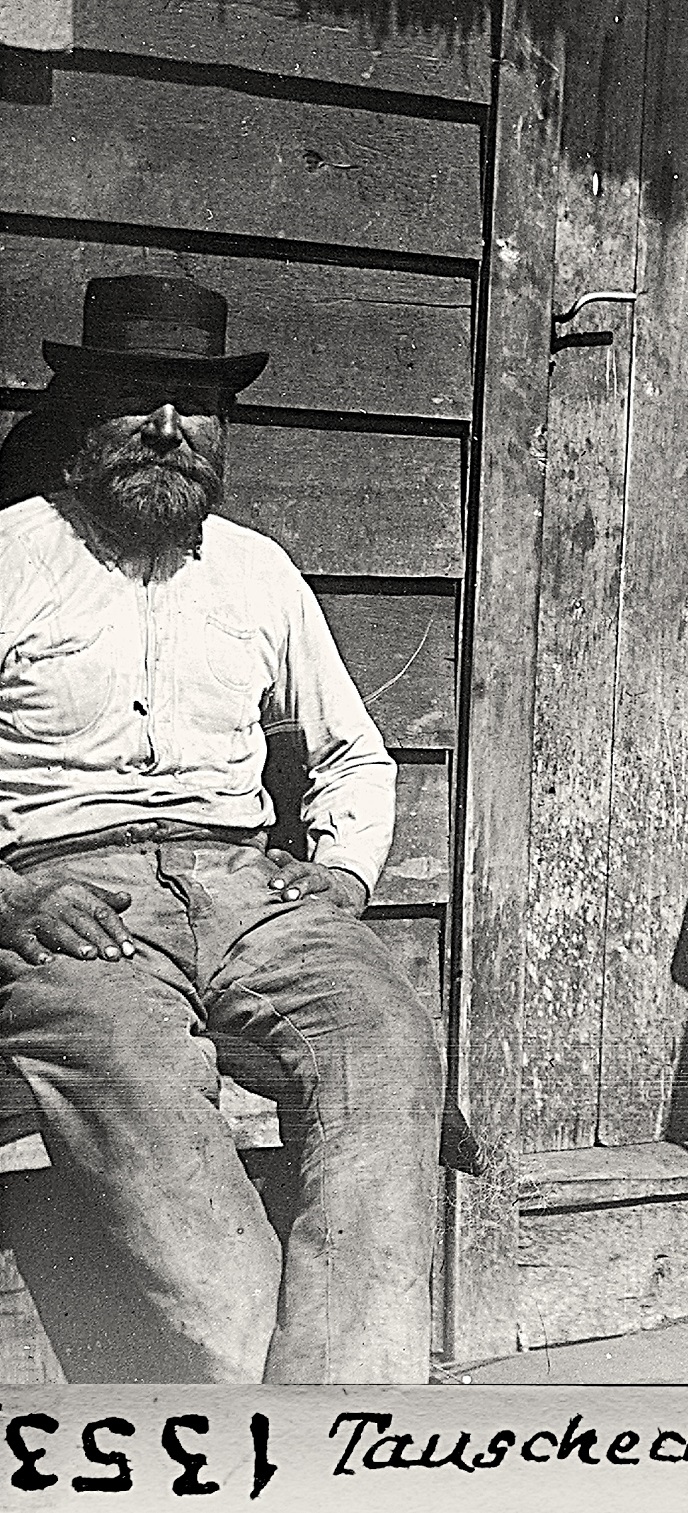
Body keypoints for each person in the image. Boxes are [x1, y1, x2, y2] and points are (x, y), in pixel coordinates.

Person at [0, 275, 443, 1382]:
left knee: (384, 1042)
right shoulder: (9, 558)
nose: (167, 430)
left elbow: (351, 753)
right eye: (136, 402)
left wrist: (340, 875)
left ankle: (346, 1426)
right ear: (80, 426)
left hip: (253, 890)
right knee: (132, 1076)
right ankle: (279, 1412)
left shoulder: (257, 572)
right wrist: (8, 898)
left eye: (195, 407)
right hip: (76, 902)